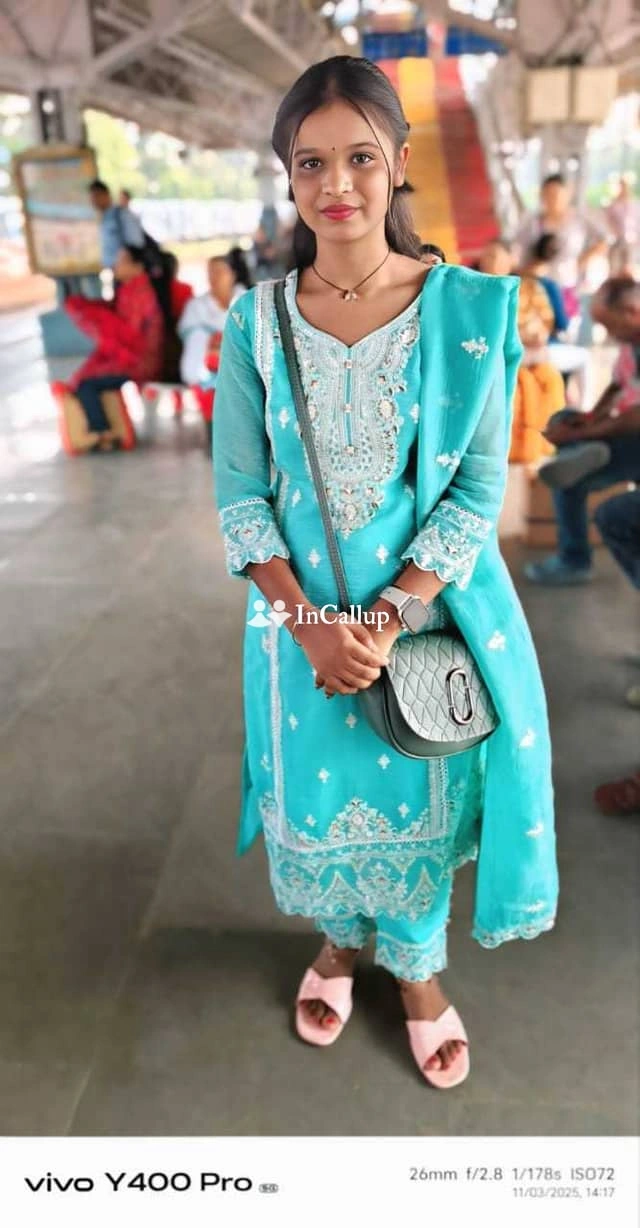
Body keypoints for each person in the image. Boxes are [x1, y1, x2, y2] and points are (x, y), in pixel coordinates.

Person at [212, 55, 557, 1089]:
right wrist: (309, 624)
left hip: (424, 625)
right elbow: (240, 494)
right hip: (297, 634)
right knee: (316, 806)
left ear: (400, 162)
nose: (337, 184)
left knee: (416, 788)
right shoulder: (256, 321)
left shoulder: (468, 312)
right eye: (310, 162)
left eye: (360, 157)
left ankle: (414, 970)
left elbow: (474, 491)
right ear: (287, 175)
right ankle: (336, 943)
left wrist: (388, 619)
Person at [525, 277, 640, 585]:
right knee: (564, 419)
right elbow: (617, 385)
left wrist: (584, 434)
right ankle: (579, 453)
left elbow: (636, 417)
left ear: (631, 312)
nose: (608, 334)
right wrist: (590, 419)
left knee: (570, 477)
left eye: (609, 325)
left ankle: (574, 560)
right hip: (625, 428)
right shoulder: (631, 343)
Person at [64, 244, 164, 448]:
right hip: (130, 357)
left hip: (137, 361)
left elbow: (131, 338)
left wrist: (98, 317)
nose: (115, 266)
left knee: (86, 385)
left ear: (138, 266)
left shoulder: (141, 294)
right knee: (85, 381)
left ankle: (103, 433)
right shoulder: (129, 290)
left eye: (122, 261)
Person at [514, 174, 609, 340]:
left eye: (557, 194)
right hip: (539, 287)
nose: (553, 199)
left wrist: (583, 260)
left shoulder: (579, 219)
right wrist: (531, 268)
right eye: (548, 194)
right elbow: (518, 252)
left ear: (567, 194)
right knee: (540, 334)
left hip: (568, 285)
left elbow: (604, 240)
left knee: (567, 333)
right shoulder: (532, 223)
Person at [520, 233, 590, 407]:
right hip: (539, 349)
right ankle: (583, 409)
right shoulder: (548, 285)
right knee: (585, 357)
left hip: (517, 346)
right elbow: (562, 324)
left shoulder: (515, 278)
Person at [178, 248, 252, 387]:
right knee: (197, 335)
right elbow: (189, 336)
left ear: (232, 275)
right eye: (210, 272)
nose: (214, 277)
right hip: (205, 367)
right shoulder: (196, 305)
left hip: (240, 365)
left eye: (219, 272)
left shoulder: (247, 301)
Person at [88, 179, 145, 271]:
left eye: (96, 196)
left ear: (106, 195)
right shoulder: (104, 218)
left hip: (126, 272)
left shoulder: (122, 215)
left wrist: (126, 261)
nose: (93, 201)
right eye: (91, 198)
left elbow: (136, 244)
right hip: (114, 271)